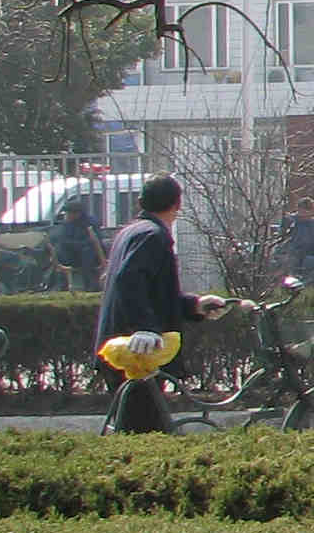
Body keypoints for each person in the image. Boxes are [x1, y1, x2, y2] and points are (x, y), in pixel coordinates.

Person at [93, 174, 227, 433]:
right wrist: (144, 328)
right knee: (146, 432)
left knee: (140, 429)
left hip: (123, 348)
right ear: (177, 204)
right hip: (136, 353)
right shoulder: (153, 235)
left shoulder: (131, 231)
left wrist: (195, 305)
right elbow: (128, 280)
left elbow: (155, 293)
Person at [50, 196, 105, 293]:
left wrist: (78, 245)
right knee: (59, 251)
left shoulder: (90, 223)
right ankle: (61, 285)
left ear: (77, 213)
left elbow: (94, 241)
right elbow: (63, 240)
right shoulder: (67, 224)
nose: (66, 215)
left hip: (90, 255)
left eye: (68, 213)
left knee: (87, 252)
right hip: (72, 253)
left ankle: (91, 285)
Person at [274, 197, 314, 286]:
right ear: (299, 209)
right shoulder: (289, 220)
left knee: (310, 263)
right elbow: (281, 237)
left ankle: (306, 285)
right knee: (291, 264)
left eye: (311, 209)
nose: (310, 212)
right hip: (292, 251)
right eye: (307, 209)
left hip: (310, 252)